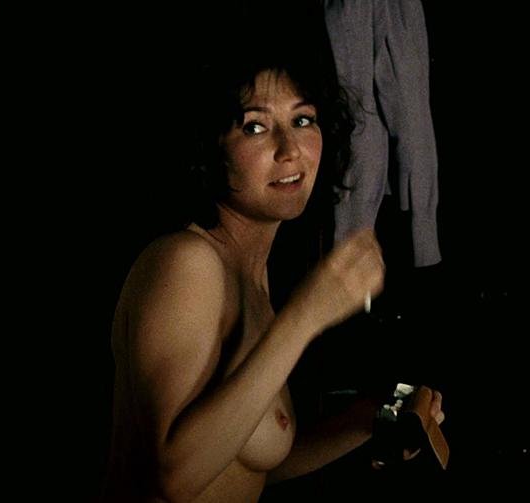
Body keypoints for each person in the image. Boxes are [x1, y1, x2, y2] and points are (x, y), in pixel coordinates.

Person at [102, 24, 445, 503]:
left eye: (303, 120)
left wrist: (367, 420)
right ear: (210, 148)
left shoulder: (251, 276)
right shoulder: (187, 263)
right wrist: (306, 316)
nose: (290, 150)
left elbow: (244, 464)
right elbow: (172, 477)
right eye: (255, 127)